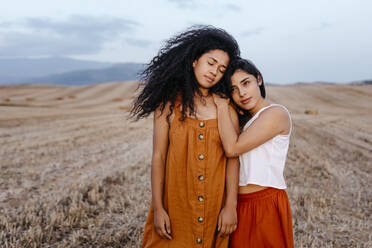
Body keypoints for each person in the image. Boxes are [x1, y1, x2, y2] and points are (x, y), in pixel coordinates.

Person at [130, 25, 241, 247]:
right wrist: (159, 208)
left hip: (214, 207)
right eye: (211, 63)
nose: (214, 72)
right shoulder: (167, 105)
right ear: (194, 61)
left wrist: (230, 206)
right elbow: (159, 156)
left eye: (221, 69)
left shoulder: (225, 108)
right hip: (176, 203)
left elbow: (233, 158)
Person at [212, 58, 294, 248]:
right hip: (241, 204)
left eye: (246, 83)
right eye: (233, 89)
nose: (241, 93)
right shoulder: (248, 121)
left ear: (258, 79)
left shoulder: (276, 113)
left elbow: (232, 149)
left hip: (264, 203)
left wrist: (222, 106)